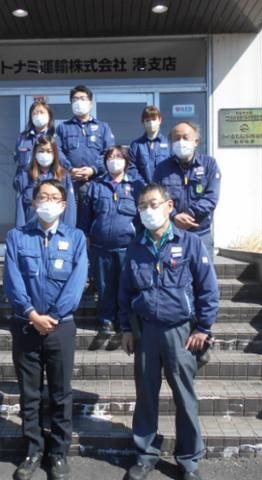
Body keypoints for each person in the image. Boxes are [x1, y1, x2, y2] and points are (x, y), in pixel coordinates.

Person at [118, 184, 219, 480]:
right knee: (146, 396)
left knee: (185, 397)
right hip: (146, 332)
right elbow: (125, 292)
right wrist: (125, 328)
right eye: (142, 206)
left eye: (153, 204)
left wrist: (203, 327)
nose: (148, 211)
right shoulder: (135, 247)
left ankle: (189, 460)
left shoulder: (190, 243)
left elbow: (208, 288)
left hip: (181, 333)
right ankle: (145, 454)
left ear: (169, 206)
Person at [3, 179, 88, 480]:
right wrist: (31, 314)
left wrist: (51, 316)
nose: (47, 202)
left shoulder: (76, 238)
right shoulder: (17, 237)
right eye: (42, 197)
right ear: (33, 202)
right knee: (30, 394)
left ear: (63, 205)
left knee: (61, 393)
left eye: (54, 197)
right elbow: (12, 280)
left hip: (60, 327)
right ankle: (33, 450)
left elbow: (77, 282)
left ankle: (58, 453)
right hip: (25, 325)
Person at [78, 145, 145, 348]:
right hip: (101, 247)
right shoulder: (96, 186)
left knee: (126, 286)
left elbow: (143, 217)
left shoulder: (136, 186)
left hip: (128, 248)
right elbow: (85, 217)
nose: (114, 160)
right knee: (104, 286)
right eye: (110, 157)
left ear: (126, 161)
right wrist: (85, 238)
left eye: (118, 157)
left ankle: (125, 322)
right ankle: (106, 321)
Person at [153, 121, 221, 260]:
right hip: (171, 234)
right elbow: (156, 199)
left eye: (185, 137)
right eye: (176, 138)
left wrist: (190, 213)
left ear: (196, 141)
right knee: (172, 273)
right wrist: (174, 217)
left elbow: (211, 198)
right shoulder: (162, 168)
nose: (181, 142)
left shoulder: (209, 165)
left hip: (201, 234)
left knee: (203, 273)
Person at [56, 85, 115, 204]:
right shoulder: (63, 127)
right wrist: (70, 169)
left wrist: (93, 169)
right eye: (75, 99)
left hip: (97, 182)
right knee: (71, 215)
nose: (79, 102)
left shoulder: (103, 127)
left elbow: (109, 152)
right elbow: (57, 151)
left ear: (90, 103)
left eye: (83, 98)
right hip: (71, 184)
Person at [14, 135, 76, 227]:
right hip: (30, 231)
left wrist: (68, 231)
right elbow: (20, 209)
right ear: (35, 154)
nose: (45, 154)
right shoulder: (25, 176)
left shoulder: (64, 176)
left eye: (49, 151)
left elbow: (70, 208)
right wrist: (20, 231)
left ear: (55, 154)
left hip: (57, 230)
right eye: (41, 151)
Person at [14, 100, 69, 172]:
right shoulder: (23, 138)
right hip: (26, 177)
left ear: (49, 116)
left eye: (42, 112)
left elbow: (62, 159)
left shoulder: (56, 137)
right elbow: (17, 159)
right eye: (35, 113)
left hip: (48, 177)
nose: (38, 116)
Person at [129, 106, 172, 184]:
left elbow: (173, 167)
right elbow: (131, 168)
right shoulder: (136, 145)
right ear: (143, 122)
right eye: (147, 120)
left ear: (160, 120)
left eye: (154, 119)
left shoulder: (170, 144)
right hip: (142, 189)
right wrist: (143, 185)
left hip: (164, 189)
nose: (151, 123)